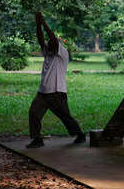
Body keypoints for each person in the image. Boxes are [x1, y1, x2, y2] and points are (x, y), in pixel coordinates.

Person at [26, 12, 85, 148]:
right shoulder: (48, 53)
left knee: (65, 116)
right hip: (43, 93)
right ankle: (37, 139)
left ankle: (80, 134)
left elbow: (51, 38)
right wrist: (38, 25)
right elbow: (41, 39)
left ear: (57, 45)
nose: (48, 44)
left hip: (57, 92)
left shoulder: (62, 53)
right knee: (34, 113)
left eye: (52, 43)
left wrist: (44, 23)